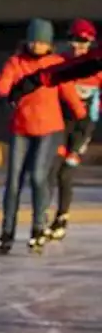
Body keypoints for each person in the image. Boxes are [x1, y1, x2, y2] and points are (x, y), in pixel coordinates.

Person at [0, 19, 86, 254]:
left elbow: (70, 94)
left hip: (49, 130)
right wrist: (2, 97)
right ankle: (7, 233)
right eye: (33, 40)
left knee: (39, 178)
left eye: (41, 42)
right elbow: (1, 83)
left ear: (49, 43)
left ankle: (38, 228)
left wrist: (82, 118)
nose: (36, 46)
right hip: (20, 129)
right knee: (13, 182)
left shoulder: (55, 65)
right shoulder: (16, 62)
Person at [48, 19, 100, 240]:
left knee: (67, 171)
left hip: (84, 127)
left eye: (82, 41)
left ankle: (62, 217)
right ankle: (45, 216)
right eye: (73, 40)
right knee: (53, 171)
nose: (77, 45)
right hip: (62, 124)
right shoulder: (63, 61)